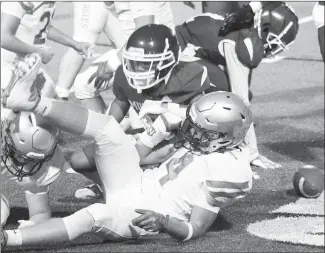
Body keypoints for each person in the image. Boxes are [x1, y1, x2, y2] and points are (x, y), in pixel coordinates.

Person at [1, 54, 253, 247]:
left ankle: (7, 240)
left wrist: (163, 222)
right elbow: (148, 152)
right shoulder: (206, 138)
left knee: (93, 214)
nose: (191, 132)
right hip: (136, 182)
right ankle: (33, 102)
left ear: (224, 138)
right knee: (109, 128)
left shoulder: (230, 170)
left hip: (142, 214)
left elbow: (195, 229)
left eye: (201, 132)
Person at [70, 24, 217, 199]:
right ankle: (110, 187)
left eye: (145, 64)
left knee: (131, 160)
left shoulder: (189, 75)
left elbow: (200, 119)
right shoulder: (125, 76)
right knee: (78, 160)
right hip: (145, 137)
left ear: (168, 61)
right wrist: (104, 131)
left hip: (177, 142)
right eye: (134, 63)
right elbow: (120, 103)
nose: (137, 69)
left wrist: (166, 110)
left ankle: (146, 181)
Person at [171, 2, 299, 169]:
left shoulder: (246, 29)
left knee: (232, 94)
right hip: (177, 58)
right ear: (267, 30)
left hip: (182, 50)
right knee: (226, 98)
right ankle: (185, 129)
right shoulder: (243, 44)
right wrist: (252, 152)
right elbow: (241, 102)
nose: (275, 48)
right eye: (277, 42)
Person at [56, 2, 175, 113]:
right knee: (84, 84)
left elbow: (145, 34)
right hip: (140, 51)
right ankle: (108, 130)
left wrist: (111, 65)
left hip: (154, 55)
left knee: (142, 118)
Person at [1, 75, 65, 229]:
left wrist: (36, 223)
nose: (26, 163)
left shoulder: (46, 160)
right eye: (20, 156)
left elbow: (40, 213)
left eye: (34, 160)